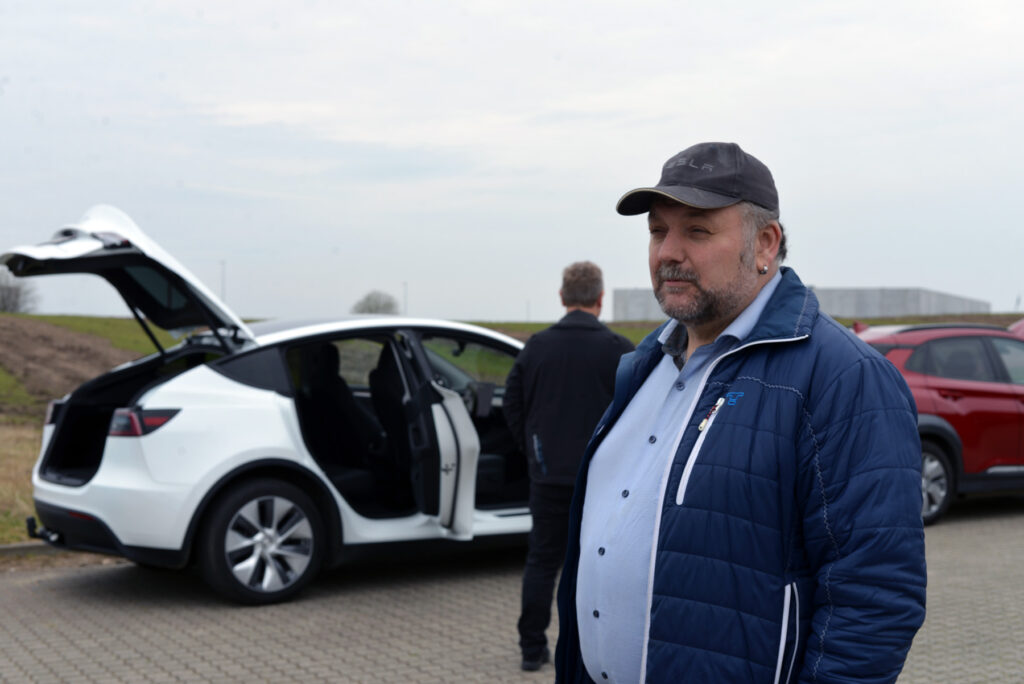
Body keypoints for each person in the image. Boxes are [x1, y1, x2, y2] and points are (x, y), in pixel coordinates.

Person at [554, 142, 927, 683]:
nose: (668, 253)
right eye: (658, 231)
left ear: (765, 244)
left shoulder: (841, 377)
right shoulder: (643, 367)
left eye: (697, 231)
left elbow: (875, 596)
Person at [504, 261, 635, 672]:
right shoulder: (619, 350)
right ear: (599, 298)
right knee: (590, 565)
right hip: (601, 481)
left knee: (542, 561)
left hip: (547, 475)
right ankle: (583, 650)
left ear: (562, 297)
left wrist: (532, 448)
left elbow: (512, 404)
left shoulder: (536, 347)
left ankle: (531, 648)